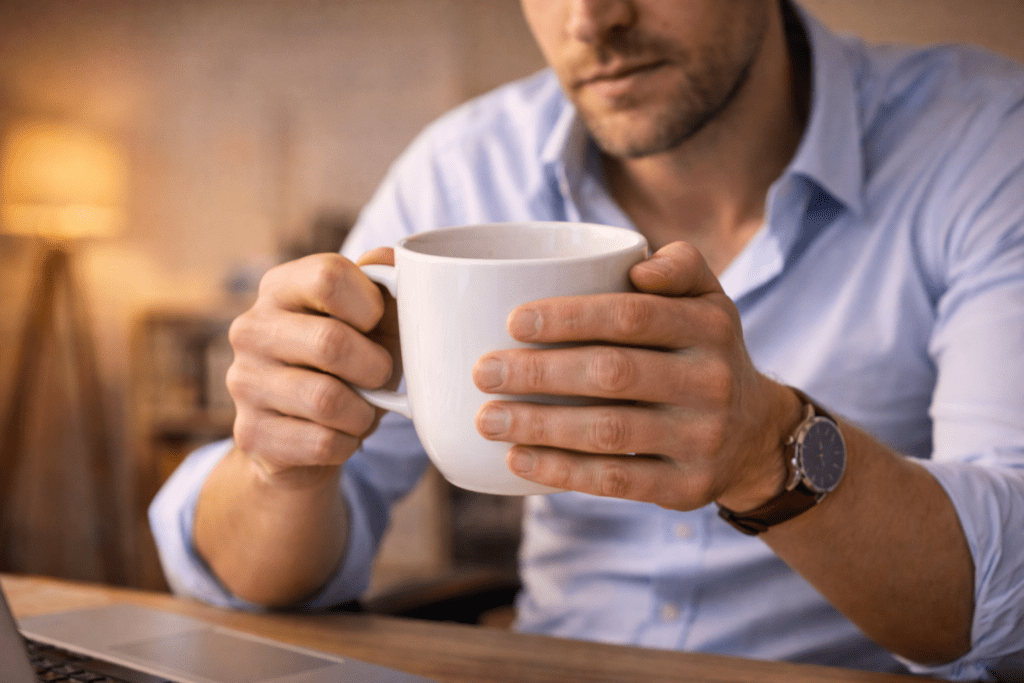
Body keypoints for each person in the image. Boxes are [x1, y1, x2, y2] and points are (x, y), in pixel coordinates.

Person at [149, 0, 1024, 680]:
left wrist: (769, 449)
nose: (590, 19)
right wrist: (278, 466)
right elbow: (253, 577)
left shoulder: (982, 141)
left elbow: (1006, 594)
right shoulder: (463, 166)